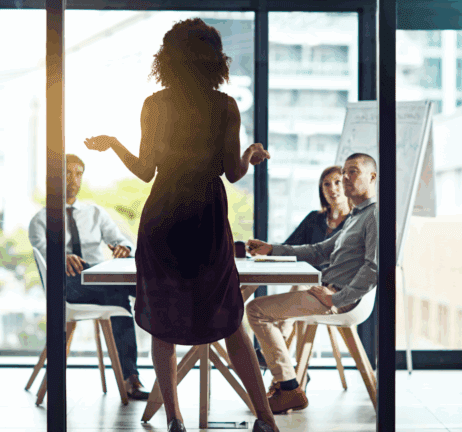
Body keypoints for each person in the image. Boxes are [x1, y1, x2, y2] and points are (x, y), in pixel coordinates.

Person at [83, 18, 279, 432]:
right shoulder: (225, 106)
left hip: (164, 219)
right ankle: (264, 419)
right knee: (230, 317)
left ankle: (174, 419)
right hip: (206, 219)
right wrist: (250, 154)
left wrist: (114, 143)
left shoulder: (155, 105)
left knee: (163, 319)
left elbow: (144, 172)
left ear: (166, 59)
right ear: (215, 59)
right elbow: (232, 173)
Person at [245, 153, 378, 415]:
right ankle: (288, 386)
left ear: (372, 177)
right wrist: (272, 249)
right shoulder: (356, 216)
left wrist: (336, 299)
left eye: (353, 172)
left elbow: (373, 268)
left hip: (339, 298)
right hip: (327, 291)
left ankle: (288, 387)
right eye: (344, 172)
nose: (345, 178)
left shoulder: (374, 216)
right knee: (259, 309)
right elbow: (319, 251)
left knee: (256, 311)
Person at [28, 154, 150, 401]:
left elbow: (120, 240)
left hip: (103, 281)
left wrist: (123, 247)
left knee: (144, 288)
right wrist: (61, 255)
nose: (74, 179)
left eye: (79, 173)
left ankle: (158, 305)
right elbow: (43, 253)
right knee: (119, 297)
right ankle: (131, 378)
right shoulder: (41, 219)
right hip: (68, 287)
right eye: (67, 173)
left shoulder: (95, 212)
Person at [256, 166, 353, 377]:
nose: (332, 189)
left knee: (294, 290)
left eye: (337, 182)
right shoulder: (314, 219)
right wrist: (266, 250)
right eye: (326, 184)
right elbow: (290, 246)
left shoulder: (355, 223)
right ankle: (294, 373)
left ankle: (276, 355)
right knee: (301, 285)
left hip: (333, 292)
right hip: (309, 287)